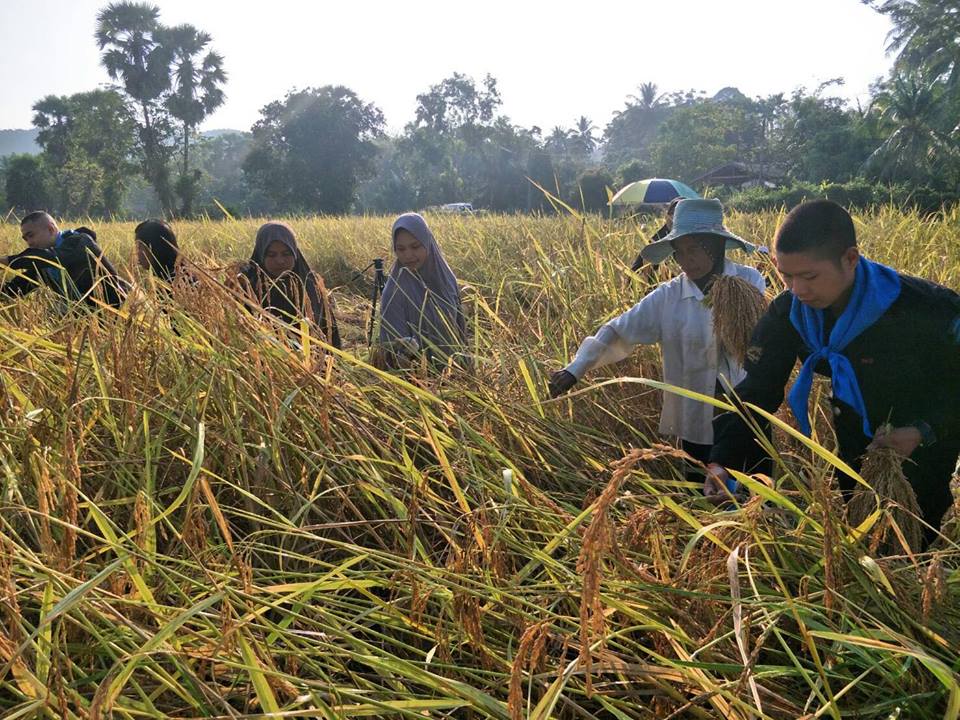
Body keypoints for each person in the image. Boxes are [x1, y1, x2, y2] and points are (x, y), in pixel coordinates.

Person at [705, 200, 960, 543]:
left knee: (915, 535)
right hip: (854, 431)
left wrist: (923, 430)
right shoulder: (791, 314)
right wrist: (722, 459)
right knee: (861, 526)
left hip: (925, 437)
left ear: (850, 259)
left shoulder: (926, 309)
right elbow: (757, 388)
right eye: (786, 275)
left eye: (809, 276)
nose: (797, 290)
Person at [550, 198, 764, 479]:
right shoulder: (668, 296)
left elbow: (760, 344)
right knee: (703, 497)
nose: (687, 261)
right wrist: (575, 369)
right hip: (696, 419)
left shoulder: (749, 282)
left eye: (695, 250)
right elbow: (617, 329)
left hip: (745, 413)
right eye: (680, 253)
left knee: (754, 494)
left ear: (716, 245)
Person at [377, 212, 466, 366]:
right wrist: (405, 349)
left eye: (415, 246)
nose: (408, 255)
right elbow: (390, 351)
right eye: (401, 249)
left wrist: (465, 367)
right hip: (417, 380)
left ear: (427, 243)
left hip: (454, 375)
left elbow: (460, 332)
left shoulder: (446, 279)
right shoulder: (394, 291)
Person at [239, 222, 341, 349]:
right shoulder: (246, 285)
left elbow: (330, 336)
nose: (280, 261)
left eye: (286, 254)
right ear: (260, 254)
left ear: (295, 253)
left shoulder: (310, 285)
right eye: (271, 255)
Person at [0, 211, 127, 310]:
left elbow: (53, 257)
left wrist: (6, 261)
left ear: (51, 229)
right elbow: (15, 289)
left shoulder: (80, 242)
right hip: (87, 320)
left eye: (31, 235)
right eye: (25, 239)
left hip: (122, 311)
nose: (29, 243)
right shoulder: (43, 265)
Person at [630, 197, 682, 272]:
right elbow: (635, 270)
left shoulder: (695, 238)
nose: (674, 218)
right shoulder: (656, 240)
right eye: (672, 213)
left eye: (679, 214)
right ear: (666, 217)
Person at [135, 219, 180, 283]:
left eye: (139, 247)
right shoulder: (172, 275)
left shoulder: (174, 283)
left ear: (155, 248)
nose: (136, 252)